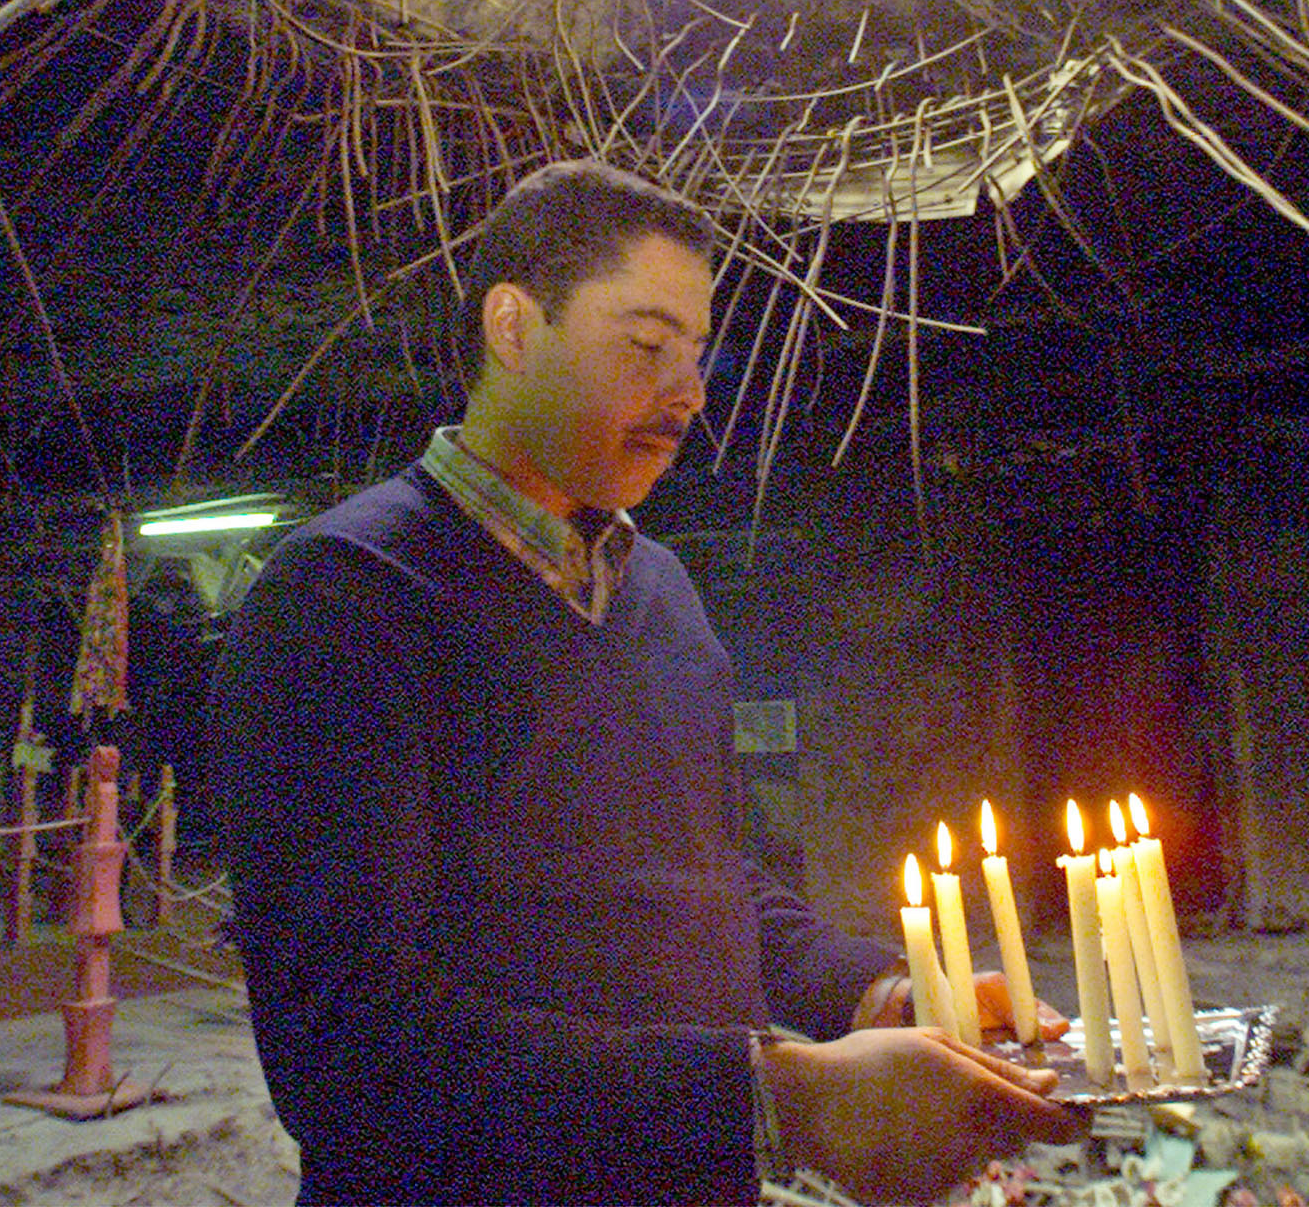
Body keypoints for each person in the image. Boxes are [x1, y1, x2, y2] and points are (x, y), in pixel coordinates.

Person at [209, 160, 1082, 1207]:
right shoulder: (346, 598)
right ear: (514, 327)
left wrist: (878, 990)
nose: (686, 394)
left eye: (697, 355)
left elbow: (715, 881)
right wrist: (777, 1099)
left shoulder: (658, 588)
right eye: (645, 344)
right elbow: (347, 1053)